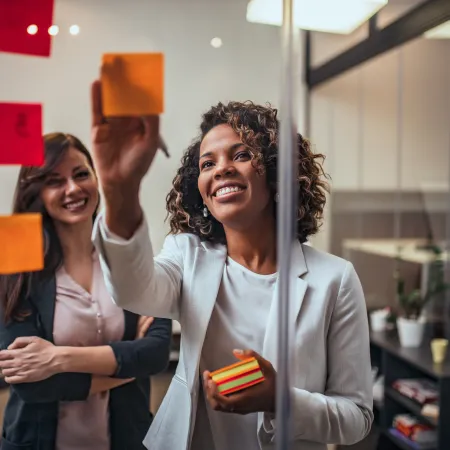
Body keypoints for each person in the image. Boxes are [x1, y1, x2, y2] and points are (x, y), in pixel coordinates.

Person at [89, 80, 373, 450]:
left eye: (240, 155)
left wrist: (279, 400)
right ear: (202, 191)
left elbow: (356, 418)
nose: (221, 169)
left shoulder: (334, 279)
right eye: (208, 163)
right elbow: (132, 290)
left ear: (274, 174)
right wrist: (119, 190)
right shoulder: (186, 256)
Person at [0, 133, 172, 450]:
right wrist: (129, 364)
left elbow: (157, 353)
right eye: (55, 181)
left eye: (81, 174)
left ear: (96, 177)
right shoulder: (15, 267)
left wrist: (56, 358)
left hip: (126, 439)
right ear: (36, 192)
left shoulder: (127, 258)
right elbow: (30, 385)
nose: (73, 189)